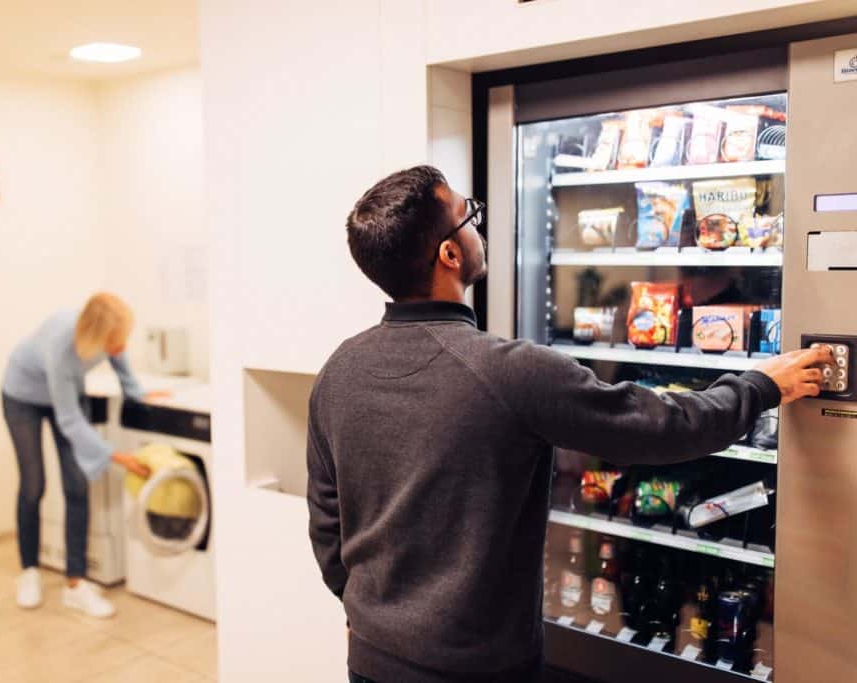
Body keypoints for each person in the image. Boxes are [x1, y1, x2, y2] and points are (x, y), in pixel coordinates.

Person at [306, 166, 828, 683]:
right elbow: (663, 428)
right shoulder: (506, 371)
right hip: (479, 670)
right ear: (449, 254)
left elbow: (327, 524)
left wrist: (364, 613)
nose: (477, 228)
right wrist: (761, 385)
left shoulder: (338, 370)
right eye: (471, 216)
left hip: (372, 659)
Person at [2, 292, 160, 618]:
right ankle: (29, 571)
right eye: (116, 341)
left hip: (67, 396)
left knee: (76, 484)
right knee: (33, 484)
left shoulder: (107, 334)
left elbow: (122, 366)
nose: (122, 346)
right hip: (22, 398)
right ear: (96, 338)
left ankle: (75, 583)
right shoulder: (61, 346)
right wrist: (118, 457)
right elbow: (69, 420)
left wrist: (139, 395)